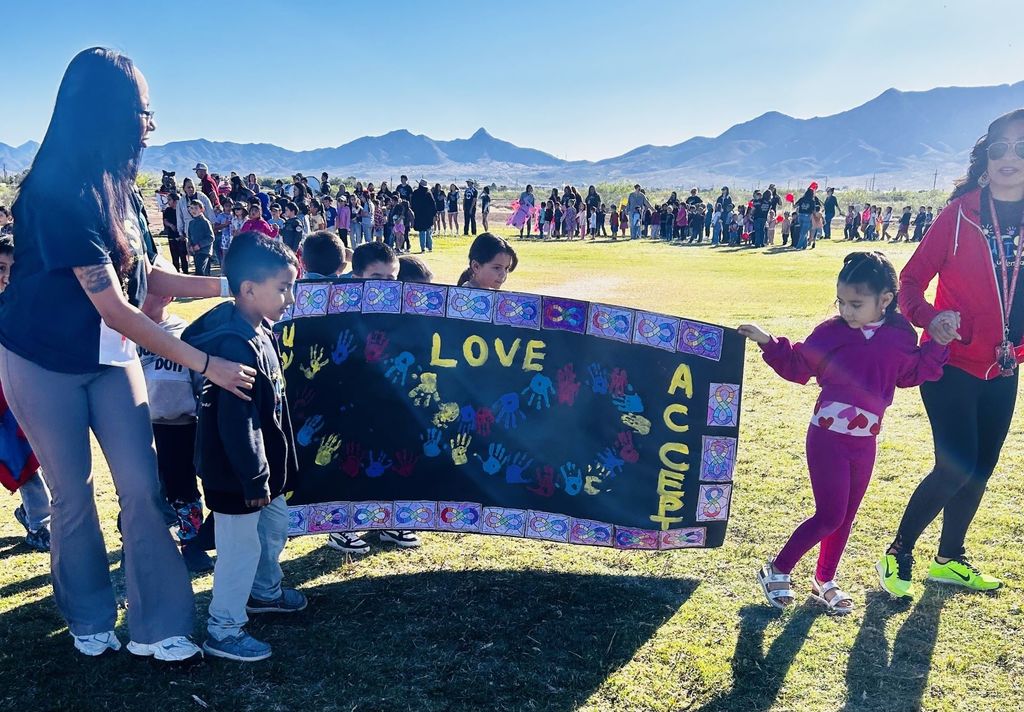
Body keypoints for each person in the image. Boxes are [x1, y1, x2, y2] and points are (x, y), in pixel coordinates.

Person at [0, 47, 255, 661]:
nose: (152, 124)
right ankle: (89, 616)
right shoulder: (57, 193)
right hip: (42, 361)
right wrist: (206, 364)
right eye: (144, 110)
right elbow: (114, 307)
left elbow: (149, 279)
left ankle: (158, 624)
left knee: (143, 486)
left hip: (109, 359)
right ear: (105, 112)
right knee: (73, 492)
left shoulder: (123, 190)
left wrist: (234, 284)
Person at [741, 252, 948, 613]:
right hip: (827, 438)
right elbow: (798, 365)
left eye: (856, 304)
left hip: (865, 442)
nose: (846, 311)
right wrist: (768, 342)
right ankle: (777, 569)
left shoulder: (900, 335)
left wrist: (939, 342)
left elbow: (911, 374)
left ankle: (824, 580)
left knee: (845, 516)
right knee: (830, 515)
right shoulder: (831, 332)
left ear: (885, 300)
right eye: (841, 302)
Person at [877, 109, 1024, 599]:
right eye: (1000, 148)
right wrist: (929, 317)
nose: (1009, 157)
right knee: (955, 466)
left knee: (981, 469)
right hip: (950, 364)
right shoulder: (959, 214)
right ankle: (898, 551)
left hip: (1004, 367)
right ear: (986, 158)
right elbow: (910, 282)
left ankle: (950, 559)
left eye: (1021, 148)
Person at [182, 232, 306, 662]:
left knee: (273, 530)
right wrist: (253, 478)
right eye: (283, 288)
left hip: (263, 475)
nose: (290, 298)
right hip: (238, 477)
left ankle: (264, 592)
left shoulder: (262, 329)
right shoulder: (233, 345)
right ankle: (224, 629)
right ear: (249, 289)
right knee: (239, 549)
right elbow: (237, 421)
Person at [138, 292, 214, 573]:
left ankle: (191, 542)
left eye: (147, 292)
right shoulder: (128, 332)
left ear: (166, 296)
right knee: (140, 486)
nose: (138, 297)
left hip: (180, 425)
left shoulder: (184, 334)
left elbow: (200, 379)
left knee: (182, 487)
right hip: (140, 426)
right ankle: (139, 541)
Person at [0, 237, 52, 552]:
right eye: (0, 268)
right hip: (2, 402)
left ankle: (38, 522)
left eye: (12, 269)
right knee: (19, 460)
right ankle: (37, 518)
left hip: (25, 397)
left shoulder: (30, 307)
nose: (6, 276)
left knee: (32, 462)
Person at [187, 199, 215, 276]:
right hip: (195, 251)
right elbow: (189, 237)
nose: (193, 210)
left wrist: (199, 245)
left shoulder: (205, 222)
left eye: (196, 208)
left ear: (202, 209)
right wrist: (190, 246)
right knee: (202, 273)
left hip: (204, 251)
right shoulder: (191, 223)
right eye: (191, 208)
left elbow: (211, 237)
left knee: (200, 272)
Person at [163, 193, 189, 273]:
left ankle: (185, 272)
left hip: (182, 236)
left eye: (169, 200)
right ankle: (176, 272)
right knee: (174, 256)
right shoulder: (168, 210)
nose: (168, 202)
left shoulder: (183, 210)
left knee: (183, 256)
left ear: (175, 200)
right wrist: (171, 225)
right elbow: (165, 220)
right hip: (172, 236)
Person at [410, 179, 436, 253]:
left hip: (419, 215)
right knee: (428, 231)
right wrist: (434, 214)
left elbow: (412, 204)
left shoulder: (415, 193)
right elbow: (433, 204)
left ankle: (423, 248)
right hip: (428, 215)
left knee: (422, 231)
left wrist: (415, 210)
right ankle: (430, 247)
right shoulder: (428, 193)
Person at [793, 185, 821, 250]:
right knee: (803, 233)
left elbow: (794, 206)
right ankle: (799, 246)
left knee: (803, 232)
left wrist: (793, 200)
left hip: (800, 216)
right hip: (807, 217)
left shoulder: (801, 199)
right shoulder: (812, 201)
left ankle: (803, 246)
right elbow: (813, 211)